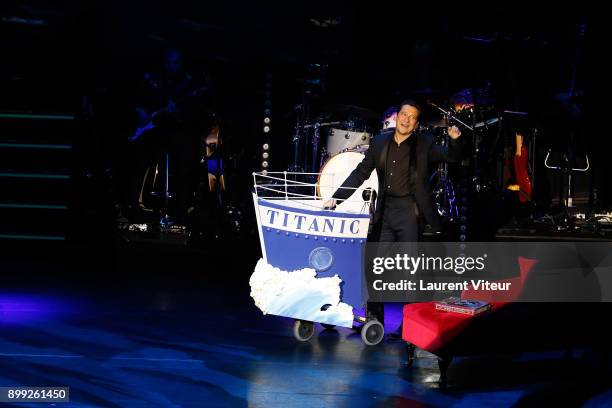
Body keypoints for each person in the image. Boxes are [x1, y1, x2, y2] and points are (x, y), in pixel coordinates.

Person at [324, 99, 462, 325]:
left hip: (410, 211)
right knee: (375, 266)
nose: (406, 119)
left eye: (412, 117)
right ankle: (375, 318)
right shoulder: (379, 142)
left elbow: (453, 157)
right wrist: (336, 198)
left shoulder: (425, 144)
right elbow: (360, 173)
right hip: (385, 212)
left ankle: (411, 323)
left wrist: (456, 142)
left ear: (416, 124)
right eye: (404, 114)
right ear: (397, 116)